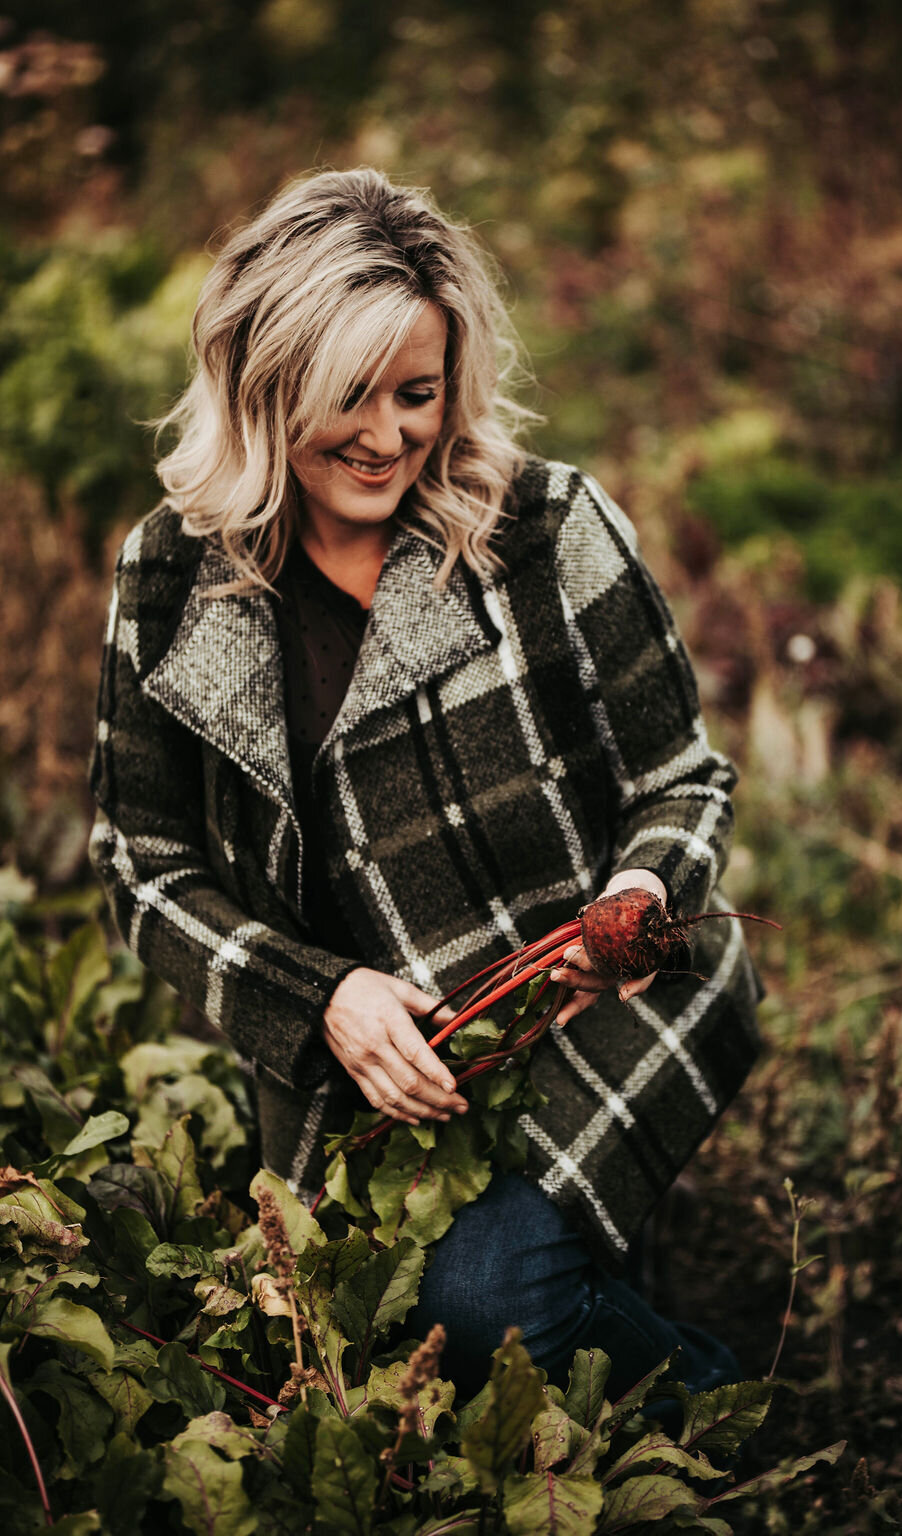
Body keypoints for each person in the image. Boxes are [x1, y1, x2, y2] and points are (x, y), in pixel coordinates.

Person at [89, 167, 763, 1401]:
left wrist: (635, 902)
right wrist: (321, 998)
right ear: (262, 379)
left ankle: (733, 1425)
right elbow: (143, 863)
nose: (390, 437)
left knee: (478, 1307)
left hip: (594, 1014)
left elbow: (682, 774)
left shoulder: (545, 533)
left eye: (419, 393)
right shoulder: (169, 578)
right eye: (350, 395)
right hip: (368, 1071)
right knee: (382, 1352)